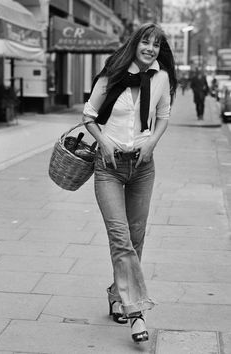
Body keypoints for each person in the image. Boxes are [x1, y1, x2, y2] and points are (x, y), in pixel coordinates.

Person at [82, 23, 177, 344]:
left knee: (135, 239)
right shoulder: (113, 73)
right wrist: (103, 143)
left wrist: (152, 144)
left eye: (155, 44)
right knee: (121, 238)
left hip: (143, 166)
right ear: (135, 43)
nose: (150, 48)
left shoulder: (161, 78)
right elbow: (89, 114)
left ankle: (114, 292)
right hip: (108, 166)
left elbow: (163, 115)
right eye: (145, 42)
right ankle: (136, 313)